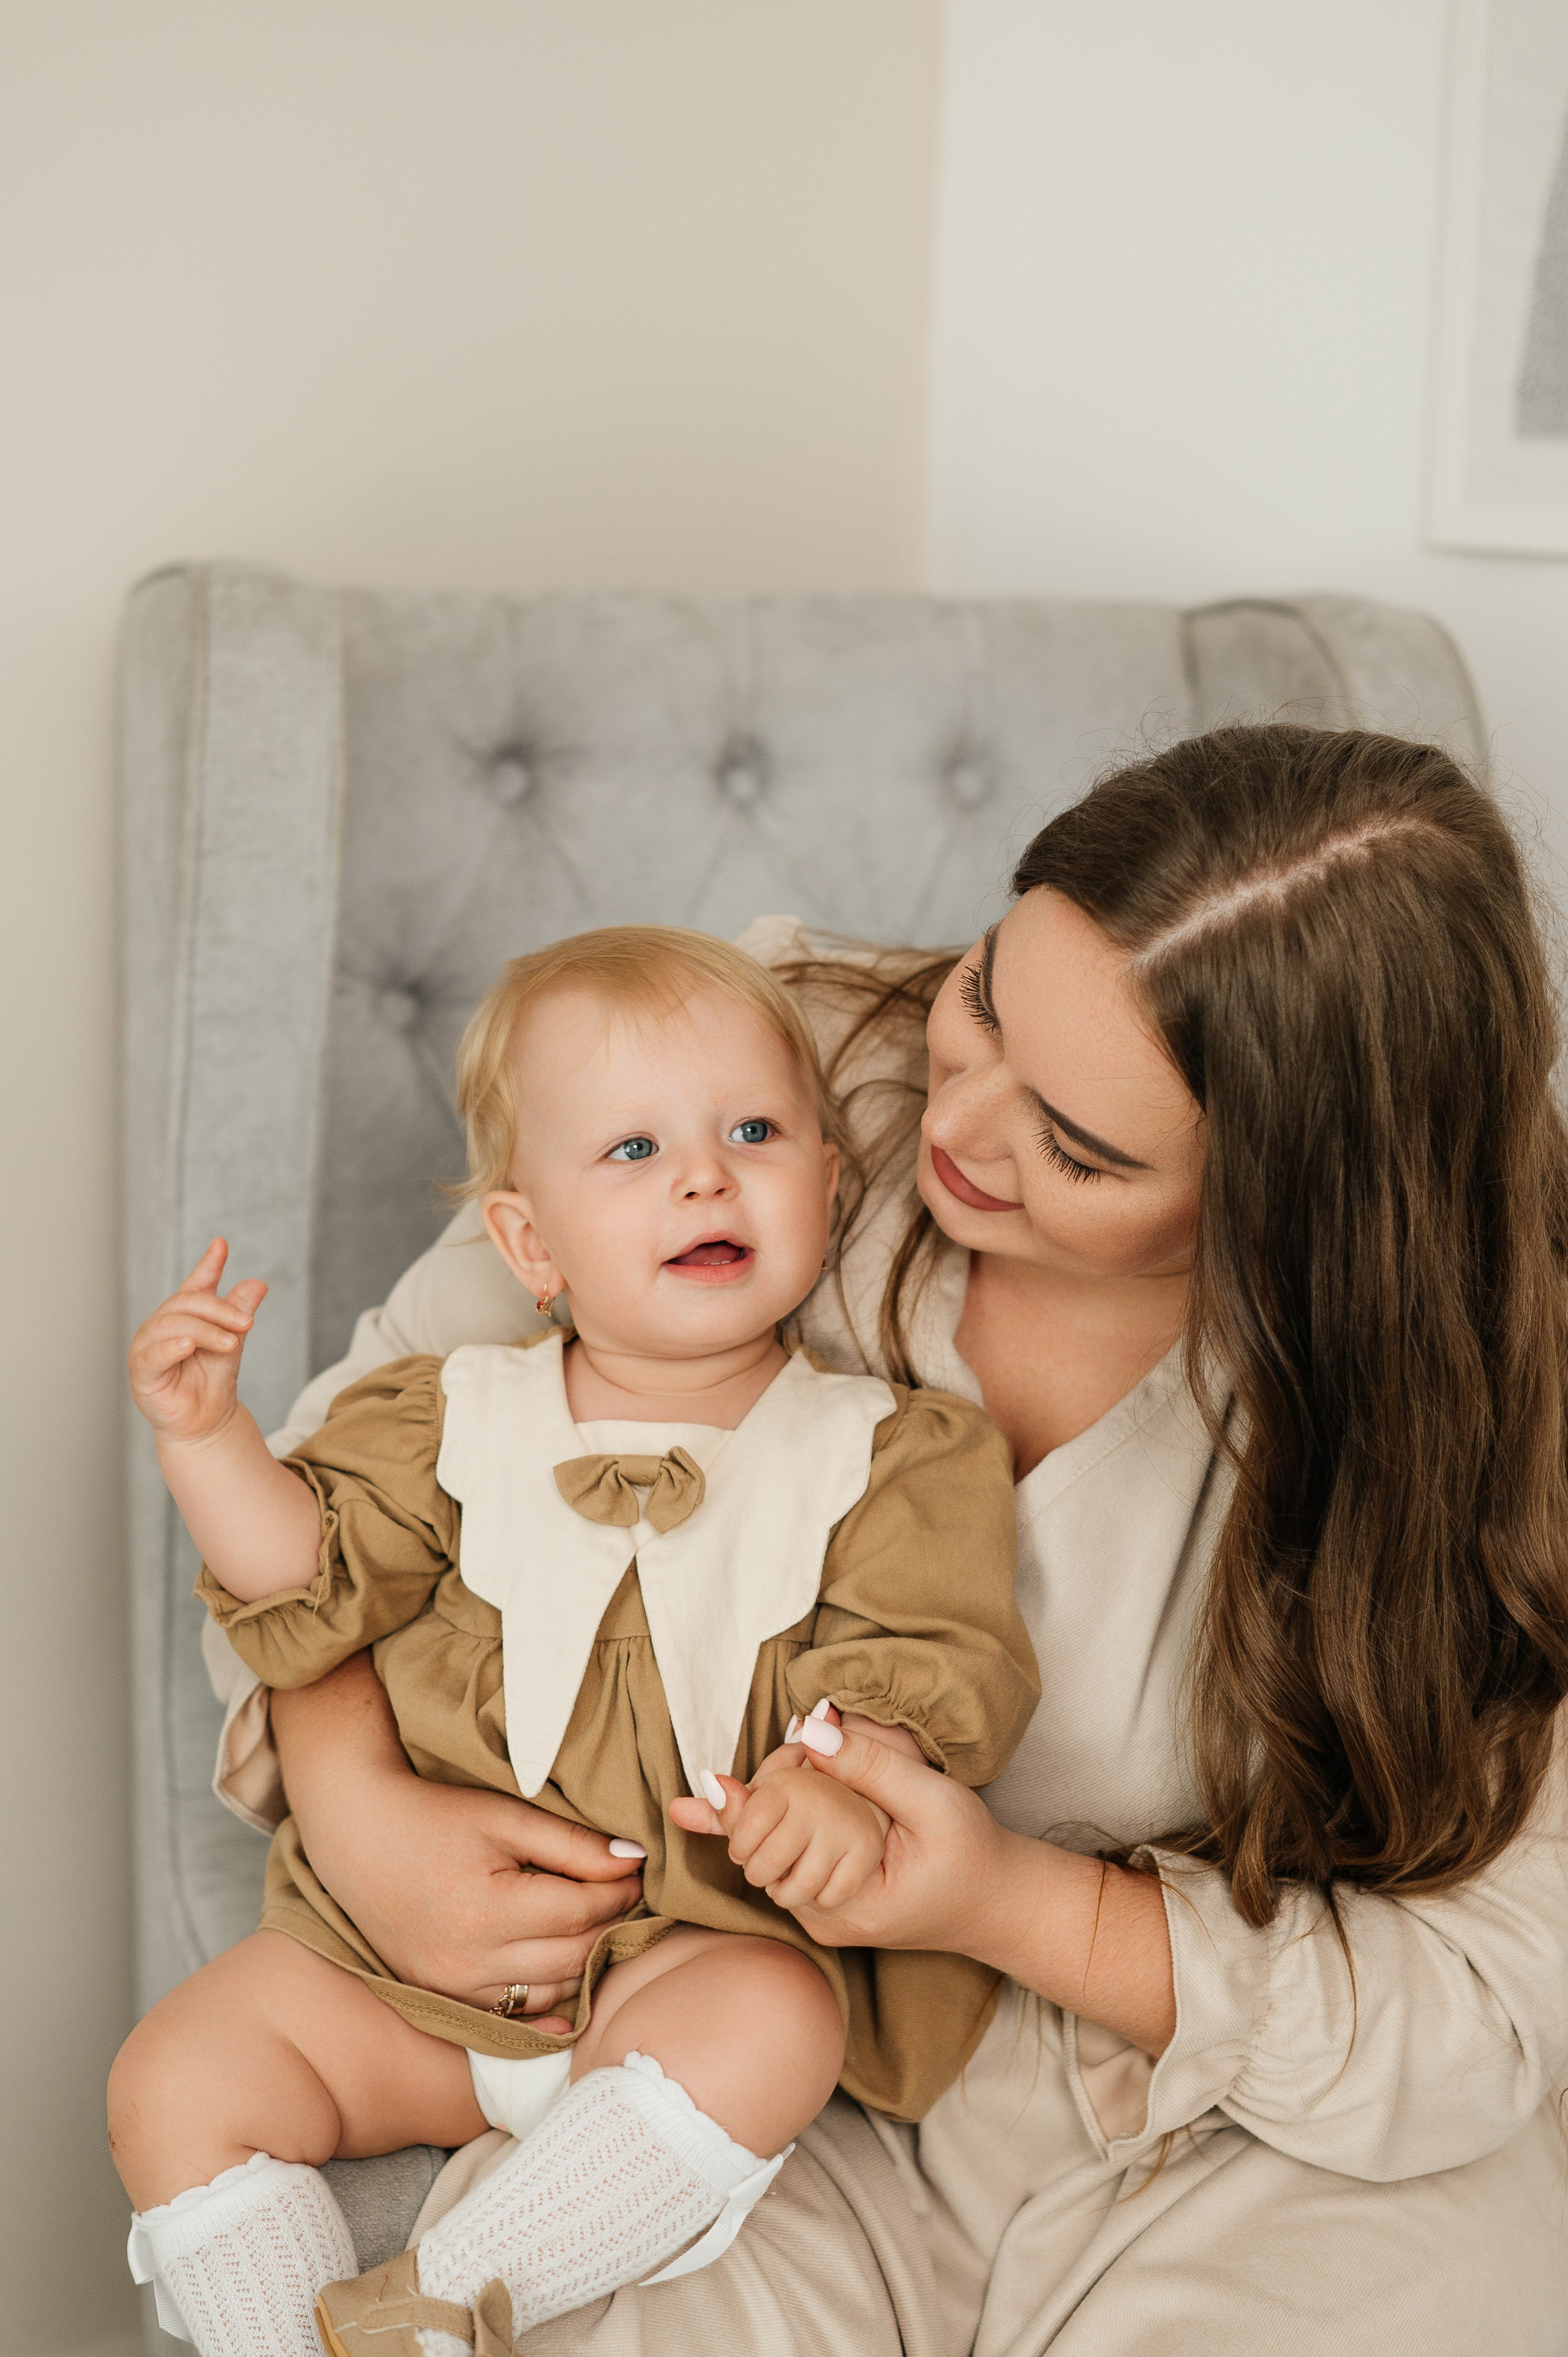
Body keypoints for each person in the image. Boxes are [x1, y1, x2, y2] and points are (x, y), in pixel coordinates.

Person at [195, 724, 1568, 2355]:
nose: (956, 1128)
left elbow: (1477, 2015)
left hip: (1246, 2125)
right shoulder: (767, 1058)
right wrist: (363, 1813)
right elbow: (330, 1491)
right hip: (742, 2072)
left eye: (1078, 1147)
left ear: (1291, 1209)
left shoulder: (1495, 1398)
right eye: (986, 998)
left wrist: (1001, 1902)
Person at [110, 929, 1035, 2357]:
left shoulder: (888, 1454)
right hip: (397, 1979)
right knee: (173, 2076)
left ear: (829, 1185)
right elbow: (309, 1577)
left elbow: (920, 1659)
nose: (701, 1175)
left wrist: (840, 1786)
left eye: (751, 1131)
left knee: (778, 2020)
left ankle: (439, 2304)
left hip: (681, 1955)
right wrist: (206, 1440)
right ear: (527, 1242)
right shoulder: (451, 1416)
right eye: (630, 1150)